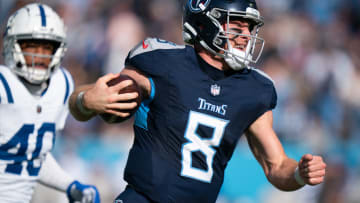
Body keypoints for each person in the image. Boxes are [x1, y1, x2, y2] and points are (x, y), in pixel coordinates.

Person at [69, 0, 327, 202]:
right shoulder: (163, 62)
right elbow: (81, 100)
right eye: (237, 24)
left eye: (250, 26)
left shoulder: (255, 89)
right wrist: (86, 101)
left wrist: (298, 174)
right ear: (205, 24)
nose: (246, 35)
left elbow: (276, 165)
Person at [0, 3, 100, 203]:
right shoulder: (3, 85)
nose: (39, 55)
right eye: (31, 46)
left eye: (46, 47)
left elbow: (35, 155)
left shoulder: (61, 85)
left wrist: (70, 185)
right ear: (13, 45)